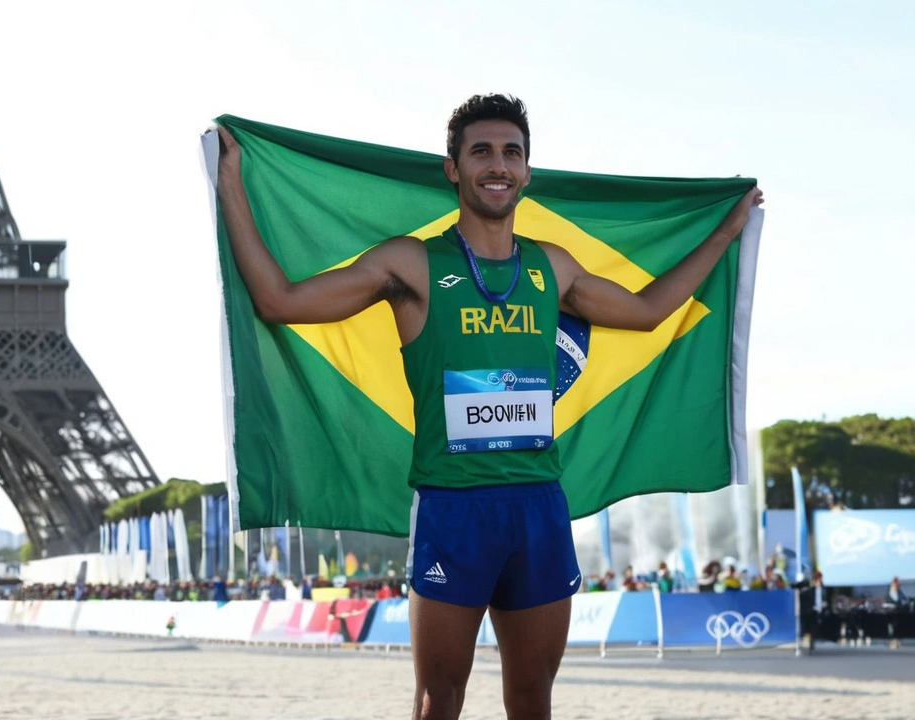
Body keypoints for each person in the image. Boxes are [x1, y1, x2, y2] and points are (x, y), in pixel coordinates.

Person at [216, 93, 762, 720]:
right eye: (481, 152)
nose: (497, 165)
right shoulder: (412, 263)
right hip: (453, 507)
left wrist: (726, 231)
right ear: (453, 168)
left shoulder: (552, 268)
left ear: (528, 171)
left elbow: (648, 310)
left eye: (511, 152)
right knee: (438, 698)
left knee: (532, 697)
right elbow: (280, 301)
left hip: (538, 508)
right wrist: (233, 182)